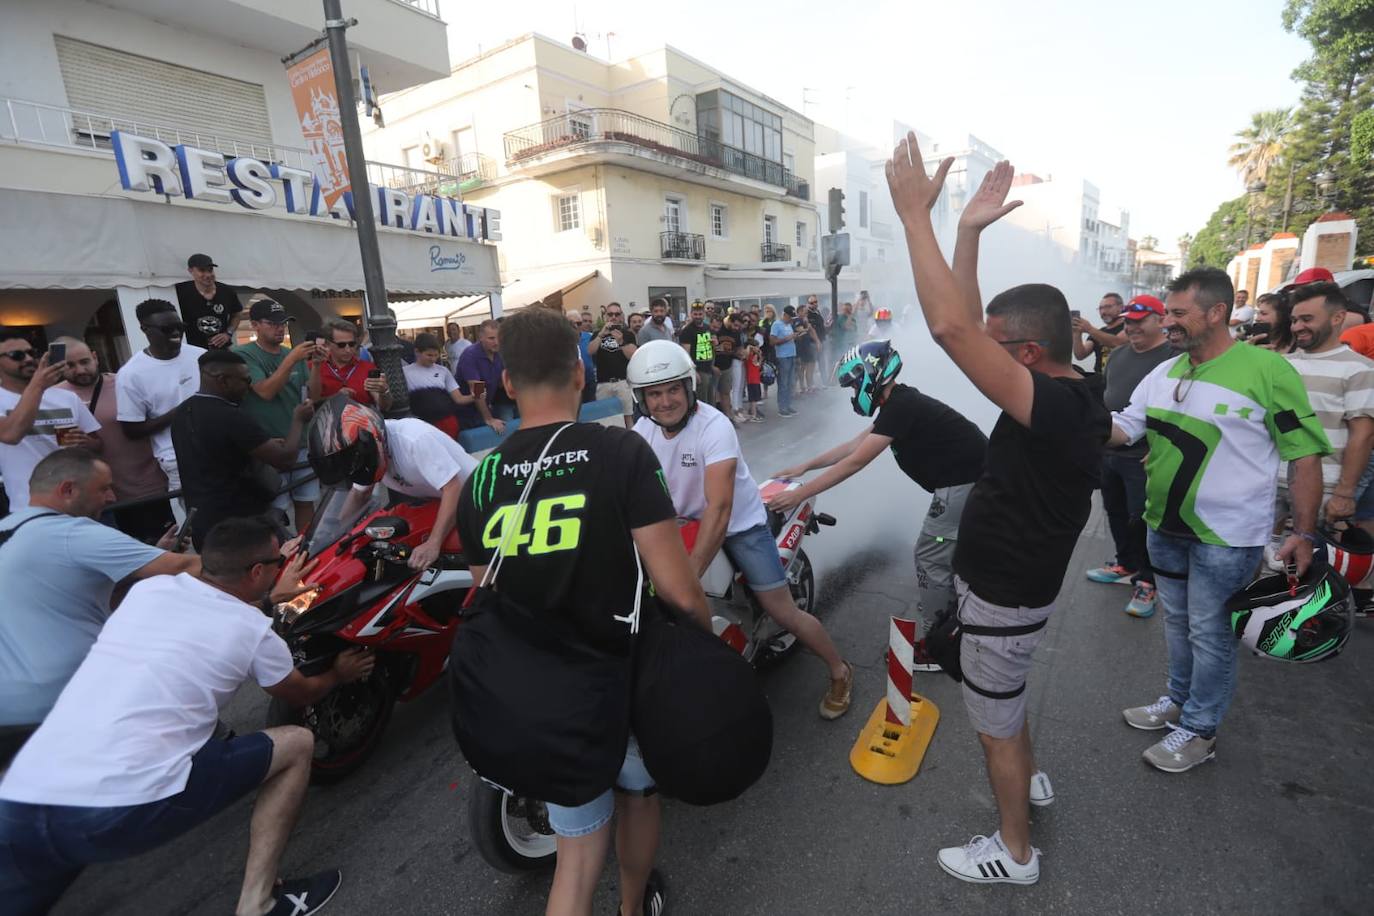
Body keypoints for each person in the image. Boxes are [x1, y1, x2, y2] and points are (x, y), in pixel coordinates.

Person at [889, 137, 1110, 885]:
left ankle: (1015, 853)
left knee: (993, 730)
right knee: (1007, 705)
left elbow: (952, 328)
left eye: (995, 345)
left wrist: (915, 216)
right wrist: (966, 233)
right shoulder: (1071, 390)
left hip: (1005, 600)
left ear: (1025, 354)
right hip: (1016, 592)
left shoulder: (1053, 409)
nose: (976, 350)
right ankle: (1032, 778)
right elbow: (969, 319)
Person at [455, 308, 711, 916]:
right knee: (639, 797)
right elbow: (677, 588)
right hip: (614, 681)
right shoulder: (619, 451)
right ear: (580, 370)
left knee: (572, 865)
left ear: (508, 384)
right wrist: (702, 650)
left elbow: (489, 597)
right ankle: (631, 907)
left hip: (532, 696)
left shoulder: (483, 478)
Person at [0, 516, 373, 916]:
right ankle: (258, 902)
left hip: (24, 792)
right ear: (259, 571)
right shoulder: (252, 630)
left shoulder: (150, 591)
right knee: (297, 743)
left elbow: (207, 610)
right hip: (124, 801)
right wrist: (338, 672)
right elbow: (301, 691)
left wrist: (267, 600)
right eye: (277, 560)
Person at [1110, 268, 1328, 774]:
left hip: (1227, 538)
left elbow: (1305, 456)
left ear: (1217, 313)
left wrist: (1303, 531)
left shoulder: (1269, 371)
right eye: (1167, 312)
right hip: (1163, 525)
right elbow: (1126, 425)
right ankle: (1178, 700)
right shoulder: (1164, 371)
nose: (1168, 322)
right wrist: (1072, 423)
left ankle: (1200, 729)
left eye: (1178, 313)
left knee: (1211, 633)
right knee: (1180, 624)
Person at [629, 339, 853, 719]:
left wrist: (687, 577)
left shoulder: (714, 426)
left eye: (672, 390)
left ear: (688, 387)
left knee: (780, 610)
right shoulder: (642, 432)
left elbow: (719, 508)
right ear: (641, 399)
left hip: (739, 526)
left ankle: (839, 670)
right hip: (678, 523)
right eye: (654, 394)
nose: (664, 401)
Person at [770, 339, 988, 667]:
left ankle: (936, 647)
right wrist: (804, 466)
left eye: (854, 384)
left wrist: (801, 493)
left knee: (929, 554)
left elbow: (856, 462)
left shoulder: (902, 405)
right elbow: (853, 446)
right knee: (946, 554)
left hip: (963, 486)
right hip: (969, 483)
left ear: (870, 374)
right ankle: (954, 611)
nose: (853, 391)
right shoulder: (898, 403)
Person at [0, 448, 198, 759]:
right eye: (103, 488)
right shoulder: (71, 531)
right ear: (68, 490)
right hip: (61, 697)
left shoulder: (10, 529)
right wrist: (269, 565)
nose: (110, 498)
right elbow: (183, 568)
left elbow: (69, 589)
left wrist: (149, 555)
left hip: (9, 709)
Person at [1084, 296, 1175, 618]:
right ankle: (1125, 563)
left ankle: (1147, 582)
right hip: (1111, 450)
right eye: (1129, 320)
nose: (1131, 326)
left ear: (1160, 319)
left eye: (1139, 320)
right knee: (1115, 511)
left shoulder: (1173, 357)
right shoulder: (1120, 354)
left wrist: (1159, 447)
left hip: (1144, 455)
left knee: (1142, 518)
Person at [309, 395, 476, 572]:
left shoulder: (414, 438)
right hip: (442, 503)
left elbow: (453, 488)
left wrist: (433, 543)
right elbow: (359, 494)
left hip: (477, 498)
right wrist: (332, 536)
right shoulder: (365, 453)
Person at [172, 350, 314, 550]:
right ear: (223, 380)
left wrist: (259, 443)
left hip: (203, 523)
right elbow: (285, 459)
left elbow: (215, 448)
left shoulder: (183, 412)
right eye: (245, 381)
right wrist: (298, 420)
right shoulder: (231, 416)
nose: (248, 388)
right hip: (240, 526)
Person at [1276, 282, 1374, 532]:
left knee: (1311, 562)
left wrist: (1344, 492)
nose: (1298, 327)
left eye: (1307, 319)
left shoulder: (1359, 369)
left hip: (1323, 487)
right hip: (1269, 482)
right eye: (1294, 319)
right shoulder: (1280, 364)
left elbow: (1362, 435)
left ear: (1337, 317)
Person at [56, 338, 173, 541]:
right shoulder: (52, 397)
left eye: (84, 362)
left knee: (164, 553)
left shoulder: (124, 383)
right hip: (94, 500)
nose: (80, 370)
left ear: (95, 357)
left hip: (145, 489)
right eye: (70, 365)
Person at [233, 300, 321, 534]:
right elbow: (264, 391)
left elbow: (314, 393)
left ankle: (304, 551)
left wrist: (318, 365)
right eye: (272, 323)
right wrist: (291, 359)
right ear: (254, 325)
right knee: (275, 509)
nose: (279, 328)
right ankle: (279, 556)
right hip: (268, 446)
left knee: (306, 501)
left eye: (282, 323)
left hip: (300, 441)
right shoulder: (242, 354)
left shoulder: (291, 353)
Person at [115, 300, 207, 503]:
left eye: (179, 327)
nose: (176, 333)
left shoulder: (200, 355)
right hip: (178, 458)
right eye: (167, 329)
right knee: (201, 522)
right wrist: (181, 412)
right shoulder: (131, 374)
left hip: (220, 446)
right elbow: (132, 430)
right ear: (145, 329)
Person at [0, 334, 100, 513]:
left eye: (31, 352)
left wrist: (86, 442)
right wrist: (38, 385)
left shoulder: (66, 397)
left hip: (84, 502)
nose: (29, 359)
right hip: (32, 507)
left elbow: (98, 444)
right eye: (17, 355)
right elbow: (10, 434)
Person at [307, 317, 391, 410]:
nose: (348, 350)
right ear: (328, 344)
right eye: (341, 345)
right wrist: (336, 398)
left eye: (352, 344)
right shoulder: (314, 367)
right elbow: (312, 402)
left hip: (363, 421)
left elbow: (384, 406)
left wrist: (384, 392)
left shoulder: (367, 368)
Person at [404, 332, 475, 438]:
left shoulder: (443, 371)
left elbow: (459, 398)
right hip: (422, 424)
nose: (433, 359)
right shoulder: (405, 372)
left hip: (447, 422)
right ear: (417, 352)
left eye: (436, 355)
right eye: (429, 355)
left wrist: (477, 396)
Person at [173, 253, 242, 349]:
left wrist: (228, 333)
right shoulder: (180, 291)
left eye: (210, 270)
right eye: (202, 270)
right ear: (190, 271)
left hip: (221, 349)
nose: (208, 275)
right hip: (193, 349)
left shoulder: (226, 291)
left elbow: (237, 314)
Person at [455, 319, 512, 433]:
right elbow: (477, 391)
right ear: (481, 337)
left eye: (499, 338)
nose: (496, 342)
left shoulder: (499, 353)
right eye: (491, 338)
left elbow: (501, 383)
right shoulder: (470, 355)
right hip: (466, 414)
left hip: (486, 406)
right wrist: (489, 419)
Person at [589, 302, 638, 428]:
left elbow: (632, 355)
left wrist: (621, 341)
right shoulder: (597, 334)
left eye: (617, 314)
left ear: (621, 316)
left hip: (622, 382)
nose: (613, 317)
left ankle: (631, 445)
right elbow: (590, 351)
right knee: (605, 420)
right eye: (610, 314)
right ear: (606, 316)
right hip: (603, 384)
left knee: (627, 418)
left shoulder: (627, 334)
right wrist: (601, 334)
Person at [1071, 292, 1127, 377]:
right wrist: (1077, 333)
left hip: (1121, 380)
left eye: (1108, 307)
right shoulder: (1098, 332)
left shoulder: (1129, 327)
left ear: (1121, 307)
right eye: (1100, 308)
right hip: (1100, 381)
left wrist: (1089, 329)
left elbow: (1117, 342)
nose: (1103, 312)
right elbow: (1080, 354)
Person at [678, 301, 718, 408]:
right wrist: (693, 372)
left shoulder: (707, 327)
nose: (698, 317)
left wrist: (715, 343)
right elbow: (685, 354)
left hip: (709, 368)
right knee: (702, 403)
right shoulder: (687, 331)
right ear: (691, 314)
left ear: (703, 314)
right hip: (699, 370)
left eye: (700, 314)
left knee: (711, 402)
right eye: (695, 314)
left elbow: (713, 346)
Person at [770, 306, 801, 418]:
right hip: (782, 357)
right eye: (790, 317)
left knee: (790, 382)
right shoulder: (776, 324)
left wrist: (796, 336)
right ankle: (782, 407)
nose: (792, 320)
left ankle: (788, 405)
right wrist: (788, 338)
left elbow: (790, 338)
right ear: (785, 315)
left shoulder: (789, 325)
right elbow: (772, 341)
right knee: (783, 382)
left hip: (791, 355)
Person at [742, 334, 765, 423]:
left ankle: (753, 413)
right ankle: (753, 415)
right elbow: (746, 355)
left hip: (756, 379)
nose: (758, 348)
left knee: (755, 398)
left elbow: (758, 366)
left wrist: (760, 357)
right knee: (753, 399)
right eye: (757, 347)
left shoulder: (755, 356)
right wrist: (749, 347)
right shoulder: (749, 356)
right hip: (751, 380)